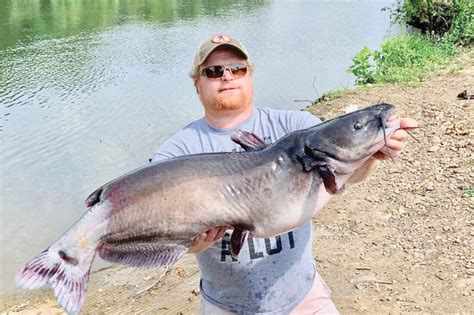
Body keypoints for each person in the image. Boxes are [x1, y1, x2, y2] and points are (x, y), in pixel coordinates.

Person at [152, 34, 418, 314]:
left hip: (303, 296)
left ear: (250, 75)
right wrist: (189, 243)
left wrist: (373, 152)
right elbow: (160, 229)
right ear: (197, 83)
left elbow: (346, 174)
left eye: (237, 68)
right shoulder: (177, 154)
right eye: (214, 71)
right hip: (225, 305)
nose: (227, 77)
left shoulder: (296, 126)